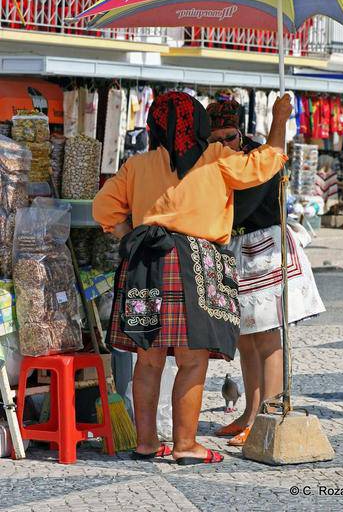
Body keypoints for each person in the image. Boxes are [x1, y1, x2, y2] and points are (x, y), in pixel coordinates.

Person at [92, 90, 291, 466]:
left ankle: (147, 442)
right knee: (191, 361)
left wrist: (130, 235)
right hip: (193, 264)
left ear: (153, 126)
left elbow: (103, 208)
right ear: (199, 124)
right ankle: (186, 445)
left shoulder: (138, 165)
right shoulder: (215, 158)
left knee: (147, 360)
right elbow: (266, 164)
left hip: (144, 264)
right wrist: (279, 118)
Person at [207, 94, 325, 447]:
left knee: (268, 337)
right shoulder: (213, 161)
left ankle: (268, 418)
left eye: (228, 137)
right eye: (214, 140)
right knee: (245, 338)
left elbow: (241, 207)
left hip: (266, 251)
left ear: (239, 132)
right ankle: (250, 412)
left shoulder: (261, 156)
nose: (222, 144)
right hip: (236, 252)